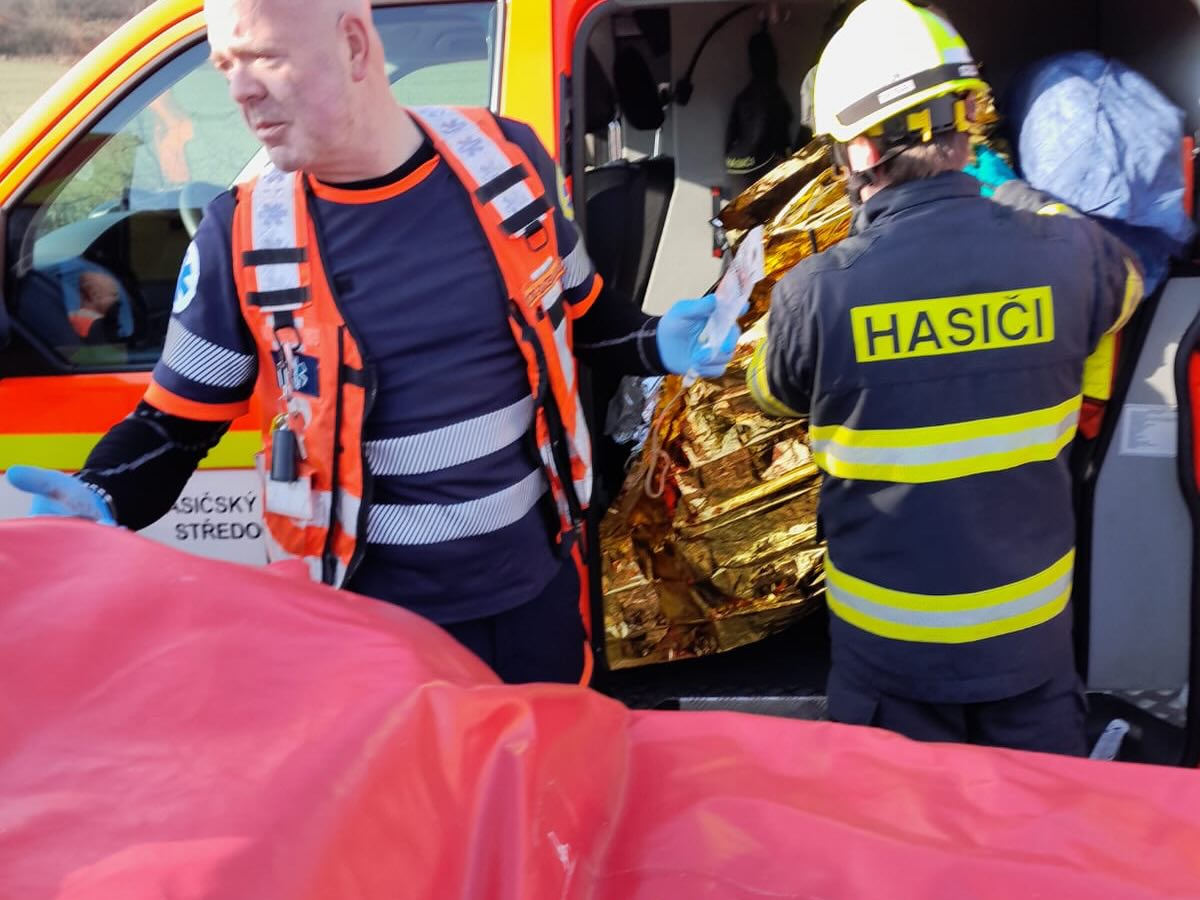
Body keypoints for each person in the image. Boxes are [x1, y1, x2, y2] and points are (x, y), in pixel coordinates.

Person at [5, 0, 740, 686]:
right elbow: (173, 427)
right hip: (372, 648)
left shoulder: (507, 160)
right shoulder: (241, 235)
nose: (241, 92)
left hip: (539, 610)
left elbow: (584, 313)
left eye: (264, 58)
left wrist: (656, 340)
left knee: (558, 780)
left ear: (354, 46)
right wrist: (103, 492)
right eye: (227, 65)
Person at [745, 0, 1144, 755]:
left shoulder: (817, 293)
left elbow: (770, 391)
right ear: (968, 126)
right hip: (1029, 649)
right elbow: (1126, 288)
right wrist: (1024, 201)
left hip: (890, 663)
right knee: (1034, 826)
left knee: (902, 827)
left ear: (858, 151)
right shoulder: (1071, 254)